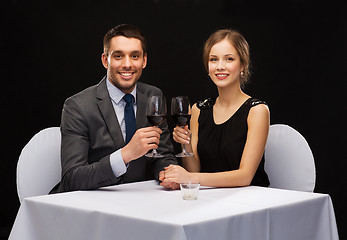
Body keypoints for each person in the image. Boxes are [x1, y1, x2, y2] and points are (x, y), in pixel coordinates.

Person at [50, 24, 178, 193]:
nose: (127, 64)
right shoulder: (77, 106)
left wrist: (167, 172)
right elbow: (72, 178)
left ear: (144, 60)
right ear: (105, 60)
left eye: (135, 56)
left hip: (141, 202)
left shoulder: (153, 95)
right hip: (90, 206)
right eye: (118, 56)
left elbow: (163, 154)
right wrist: (125, 155)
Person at [160, 29, 270, 188]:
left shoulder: (257, 110)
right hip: (210, 198)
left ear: (242, 65)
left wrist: (188, 177)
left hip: (250, 200)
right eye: (213, 60)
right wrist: (186, 144)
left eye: (229, 59)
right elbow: (194, 170)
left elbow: (244, 177)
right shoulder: (199, 109)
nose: (220, 66)